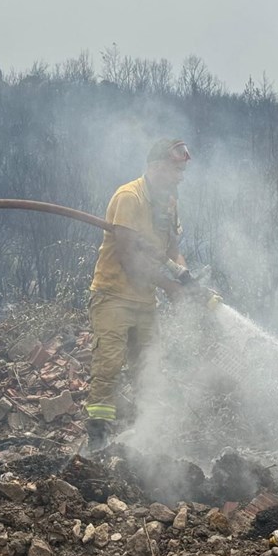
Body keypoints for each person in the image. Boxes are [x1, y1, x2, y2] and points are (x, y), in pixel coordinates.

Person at [84, 138, 193, 451]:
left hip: (145, 300)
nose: (180, 178)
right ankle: (98, 439)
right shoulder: (129, 197)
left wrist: (186, 277)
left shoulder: (168, 202)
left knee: (147, 369)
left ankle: (146, 440)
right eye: (176, 171)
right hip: (113, 295)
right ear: (156, 167)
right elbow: (129, 259)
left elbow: (173, 249)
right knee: (108, 365)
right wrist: (170, 287)